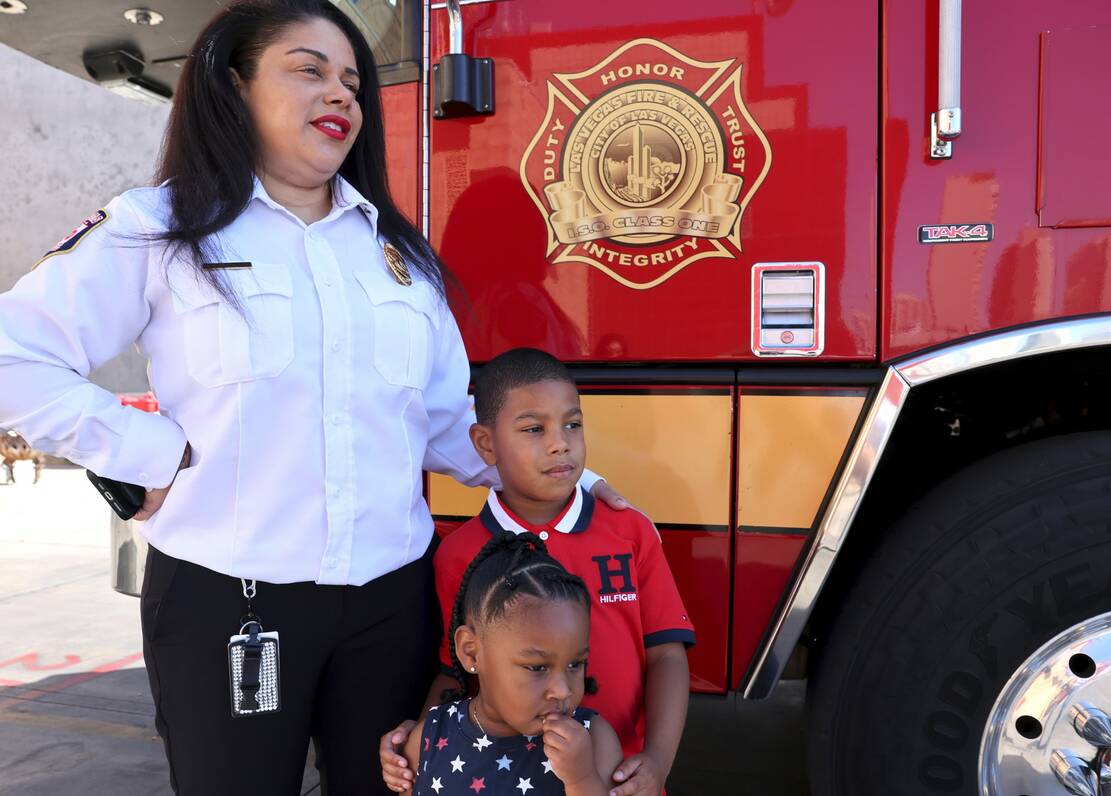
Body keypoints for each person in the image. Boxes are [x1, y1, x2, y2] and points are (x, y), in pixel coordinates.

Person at [0, 2, 624, 793]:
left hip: (392, 604)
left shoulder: (398, 260)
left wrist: (578, 486)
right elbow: (13, 355)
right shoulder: (159, 229)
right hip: (228, 601)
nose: (341, 97)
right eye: (310, 70)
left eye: (354, 84)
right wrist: (145, 454)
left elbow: (445, 428)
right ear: (234, 85)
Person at [381, 348, 692, 796]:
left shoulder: (630, 531)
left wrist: (658, 762)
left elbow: (666, 654)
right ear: (486, 444)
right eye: (533, 429)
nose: (559, 443)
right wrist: (417, 747)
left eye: (572, 424)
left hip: (622, 778)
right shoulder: (459, 554)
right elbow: (455, 671)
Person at [397, 535, 624, 796]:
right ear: (471, 652)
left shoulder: (594, 741)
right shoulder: (430, 738)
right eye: (537, 667)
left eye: (575, 664)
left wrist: (581, 779)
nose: (562, 691)